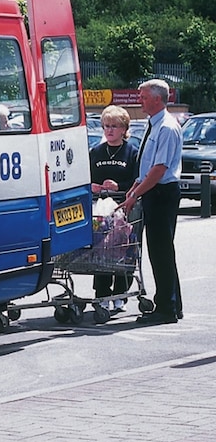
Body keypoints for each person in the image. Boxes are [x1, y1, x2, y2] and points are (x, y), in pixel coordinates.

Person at [120, 79, 183, 324]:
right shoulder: (153, 124)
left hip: (161, 192)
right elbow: (147, 166)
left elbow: (159, 169)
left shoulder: (166, 127)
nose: (140, 100)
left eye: (144, 96)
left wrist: (137, 193)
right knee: (161, 251)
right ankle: (173, 304)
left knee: (161, 252)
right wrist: (135, 186)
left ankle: (166, 308)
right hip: (153, 190)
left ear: (157, 99)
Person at [89, 104, 138, 310]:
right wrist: (93, 186)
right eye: (106, 126)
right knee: (101, 250)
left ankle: (121, 293)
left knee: (123, 250)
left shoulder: (131, 152)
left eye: (114, 126)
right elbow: (87, 178)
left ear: (124, 129)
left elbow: (138, 180)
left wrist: (120, 186)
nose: (109, 130)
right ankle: (102, 294)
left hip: (124, 209)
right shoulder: (97, 152)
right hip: (101, 210)